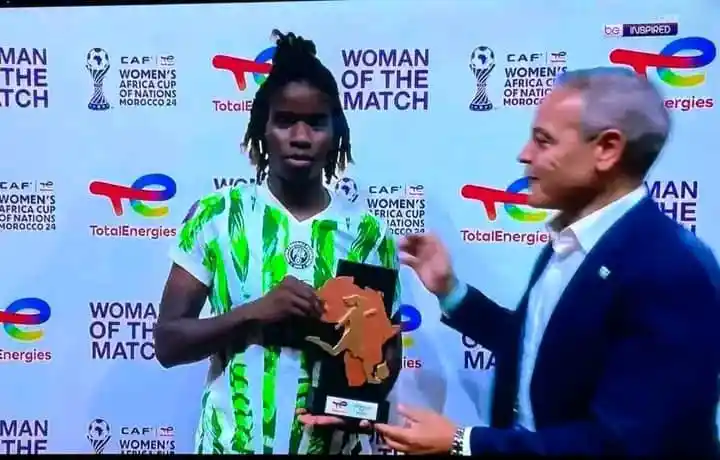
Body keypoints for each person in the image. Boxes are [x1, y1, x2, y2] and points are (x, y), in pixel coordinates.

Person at [374, 67, 720, 456]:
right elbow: (540, 351)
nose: (524, 154)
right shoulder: (571, 241)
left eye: (543, 141)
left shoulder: (670, 270)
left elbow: (623, 444)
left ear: (607, 149)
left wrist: (463, 442)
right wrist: (451, 291)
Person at [153, 30, 402, 455]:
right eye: (285, 120)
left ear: (336, 133)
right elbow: (168, 343)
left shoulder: (368, 233)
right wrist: (254, 313)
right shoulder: (217, 215)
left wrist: (357, 397)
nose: (300, 136)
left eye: (316, 123)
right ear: (262, 130)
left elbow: (387, 356)